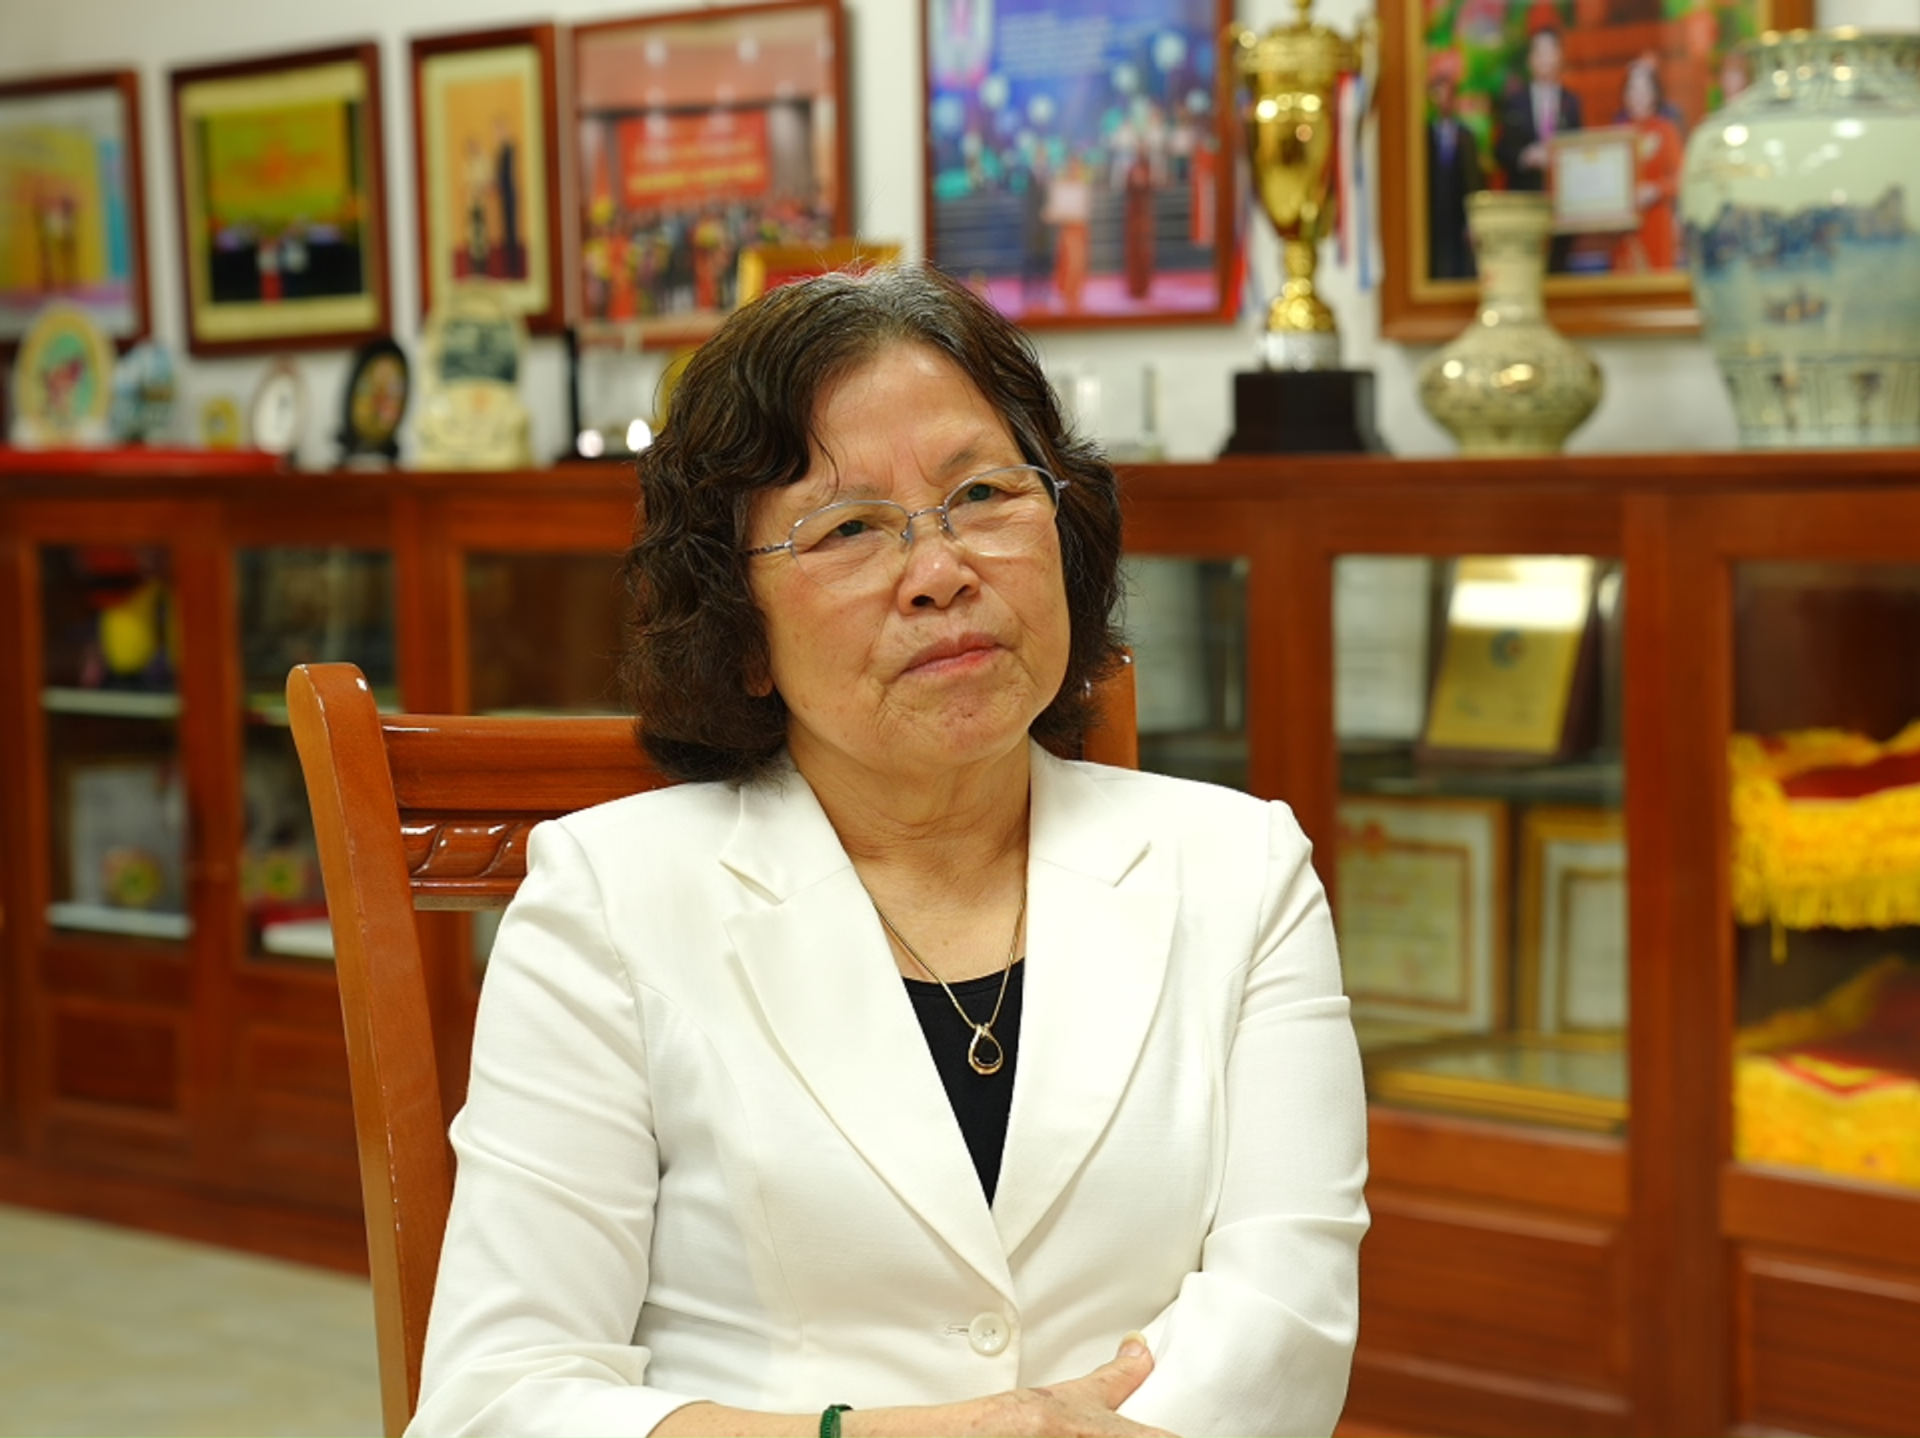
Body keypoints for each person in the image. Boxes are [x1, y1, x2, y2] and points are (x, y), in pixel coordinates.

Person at [408, 264, 1369, 1438]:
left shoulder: (1240, 867)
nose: (941, 571)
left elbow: (1287, 1320)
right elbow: (499, 1400)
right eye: (850, 528)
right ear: (740, 629)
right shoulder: (605, 902)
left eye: (983, 493)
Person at [1612, 56, 1684, 273]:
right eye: (1632, 89)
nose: (1638, 95)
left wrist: (1655, 190)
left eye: (1644, 89)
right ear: (1625, 95)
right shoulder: (1617, 135)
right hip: (1623, 229)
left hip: (1657, 221)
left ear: (1654, 94)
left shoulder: (1666, 130)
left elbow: (1680, 179)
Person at [1426, 49, 1485, 280]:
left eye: (1450, 94)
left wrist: (1473, 220)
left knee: (1458, 265)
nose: (1444, 100)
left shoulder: (1466, 136)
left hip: (1458, 215)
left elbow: (1474, 181)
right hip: (1432, 215)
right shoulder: (1423, 136)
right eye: (1439, 94)